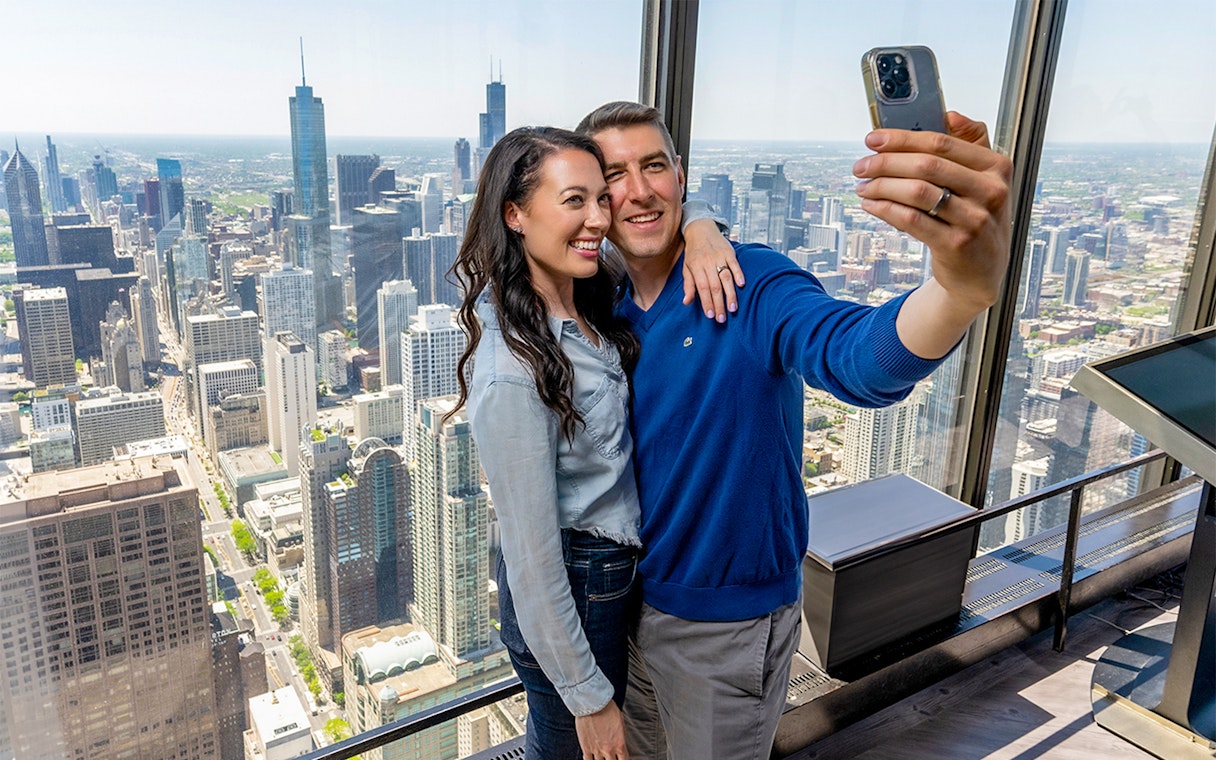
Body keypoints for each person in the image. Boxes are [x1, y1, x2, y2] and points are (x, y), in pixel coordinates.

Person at [575, 101, 1012, 759]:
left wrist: (958, 290)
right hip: (628, 618)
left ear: (680, 174)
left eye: (654, 166)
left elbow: (859, 359)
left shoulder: (751, 285)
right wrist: (701, 225)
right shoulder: (600, 309)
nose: (638, 189)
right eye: (614, 174)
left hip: (727, 631)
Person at [450, 126, 733, 760]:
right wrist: (588, 696)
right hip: (575, 593)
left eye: (598, 200)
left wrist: (703, 226)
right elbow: (530, 556)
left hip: (605, 580)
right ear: (515, 214)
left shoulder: (585, 298)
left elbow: (653, 227)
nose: (599, 219)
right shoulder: (513, 372)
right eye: (574, 201)